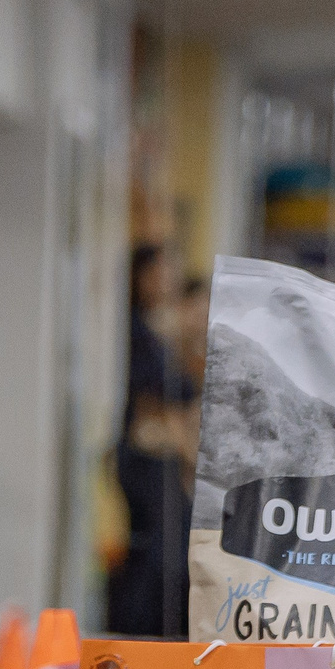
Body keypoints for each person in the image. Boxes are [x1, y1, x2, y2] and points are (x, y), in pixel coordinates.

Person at [105, 248, 200, 636]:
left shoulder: (166, 334)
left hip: (166, 458)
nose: (169, 282)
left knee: (174, 551)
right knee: (159, 553)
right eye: (162, 273)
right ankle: (141, 634)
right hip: (146, 459)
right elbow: (149, 408)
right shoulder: (136, 335)